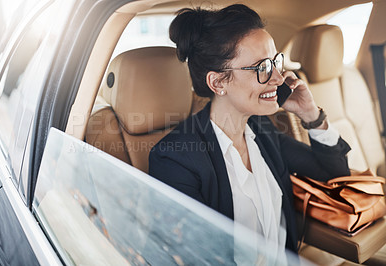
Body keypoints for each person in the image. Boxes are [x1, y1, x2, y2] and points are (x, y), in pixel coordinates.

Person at [148, 3, 351, 258]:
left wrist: (311, 114)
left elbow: (335, 174)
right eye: (263, 68)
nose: (278, 78)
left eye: (276, 62)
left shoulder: (262, 130)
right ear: (218, 82)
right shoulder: (175, 159)